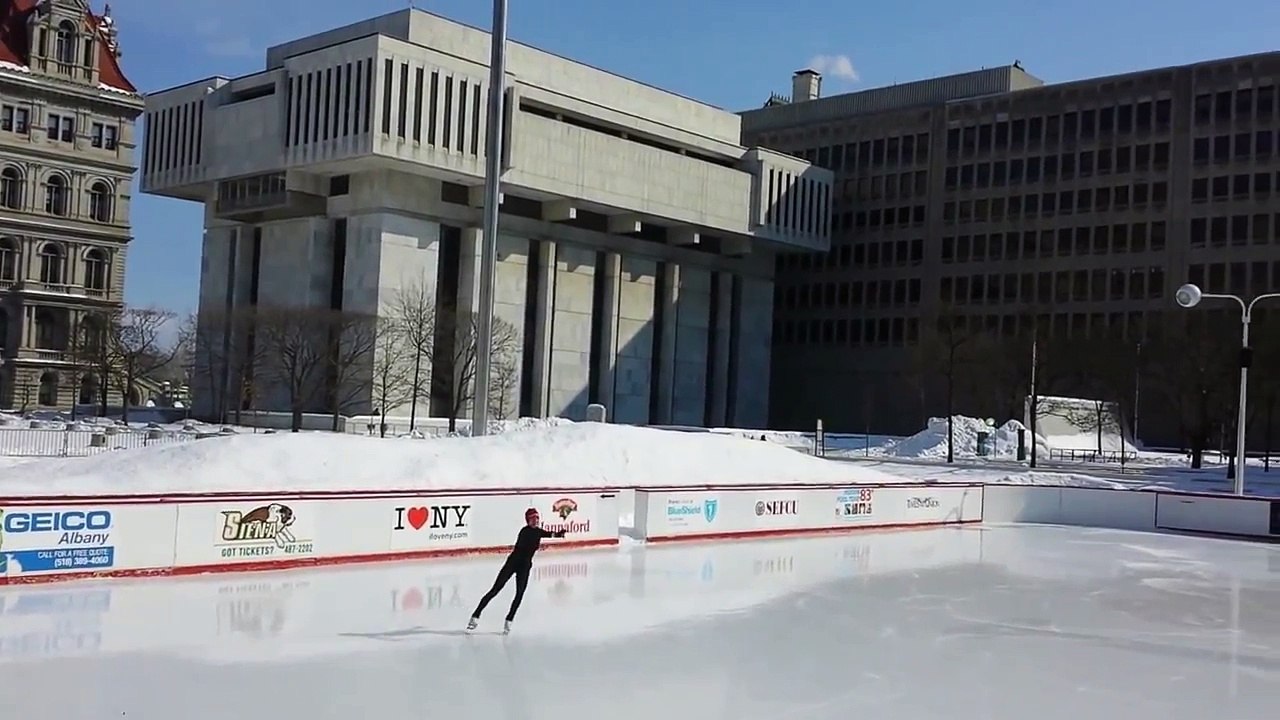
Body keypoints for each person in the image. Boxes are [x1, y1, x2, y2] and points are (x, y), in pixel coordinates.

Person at [468, 508, 565, 634]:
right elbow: (531, 540)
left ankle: (509, 620)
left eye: (537, 518)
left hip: (524, 567)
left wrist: (559, 534)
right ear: (527, 520)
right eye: (532, 519)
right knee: (495, 589)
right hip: (512, 563)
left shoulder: (538, 531)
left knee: (519, 594)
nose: (535, 521)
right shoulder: (525, 532)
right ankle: (475, 616)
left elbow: (547, 534)